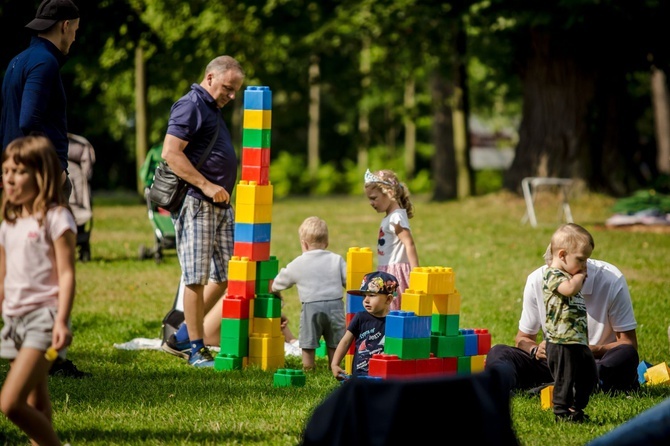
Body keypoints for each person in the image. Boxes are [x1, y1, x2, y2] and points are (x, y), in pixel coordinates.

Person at [159, 55, 245, 368]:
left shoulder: (211, 108)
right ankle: (195, 349)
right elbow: (171, 153)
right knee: (195, 278)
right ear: (210, 77)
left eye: (235, 90)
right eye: (228, 88)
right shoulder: (191, 104)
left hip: (219, 205)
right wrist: (207, 186)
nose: (231, 95)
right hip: (197, 202)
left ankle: (182, 335)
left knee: (226, 276)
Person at [0, 136, 77, 445]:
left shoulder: (56, 218)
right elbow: (3, 274)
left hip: (43, 320)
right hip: (14, 320)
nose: (9, 177)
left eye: (18, 171)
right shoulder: (8, 222)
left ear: (41, 175)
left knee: (9, 403)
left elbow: (67, 273)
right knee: (36, 400)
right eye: (5, 170)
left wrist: (61, 320)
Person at [485, 249, 640, 396]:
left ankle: (570, 385)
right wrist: (535, 350)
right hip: (553, 363)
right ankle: (500, 386)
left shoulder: (610, 279)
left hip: (595, 364)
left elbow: (628, 343)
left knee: (626, 354)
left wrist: (590, 350)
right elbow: (522, 339)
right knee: (499, 351)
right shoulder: (538, 279)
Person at [0, 0, 81, 200]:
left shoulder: (18, 60)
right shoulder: (45, 62)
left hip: (16, 172)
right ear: (65, 26)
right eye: (75, 30)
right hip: (38, 176)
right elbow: (28, 121)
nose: (74, 38)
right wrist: (56, 170)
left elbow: (7, 121)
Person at [271, 216, 347, 371]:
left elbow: (281, 281)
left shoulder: (299, 262)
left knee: (308, 341)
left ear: (304, 244)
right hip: (335, 305)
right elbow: (348, 280)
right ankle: (334, 365)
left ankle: (308, 367)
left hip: (311, 308)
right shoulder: (336, 259)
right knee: (335, 340)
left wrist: (273, 288)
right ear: (326, 243)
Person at [542, 223, 598, 422]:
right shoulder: (552, 274)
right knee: (565, 379)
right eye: (581, 260)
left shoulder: (569, 276)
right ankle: (561, 412)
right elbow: (567, 290)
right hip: (560, 341)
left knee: (589, 375)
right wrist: (580, 276)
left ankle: (577, 407)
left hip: (577, 340)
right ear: (563, 254)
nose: (585, 266)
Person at [363, 169, 419, 311]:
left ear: (390, 193)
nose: (371, 202)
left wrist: (416, 273)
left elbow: (409, 244)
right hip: (387, 270)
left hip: (396, 273)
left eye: (374, 198)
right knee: (386, 310)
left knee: (393, 310)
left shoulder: (396, 217)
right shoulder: (390, 217)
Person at [331, 271, 398, 379]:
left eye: (371, 295)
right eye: (364, 296)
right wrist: (335, 364)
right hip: (360, 375)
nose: (366, 300)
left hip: (385, 376)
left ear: (388, 299)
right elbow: (345, 341)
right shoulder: (360, 317)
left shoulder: (396, 321)